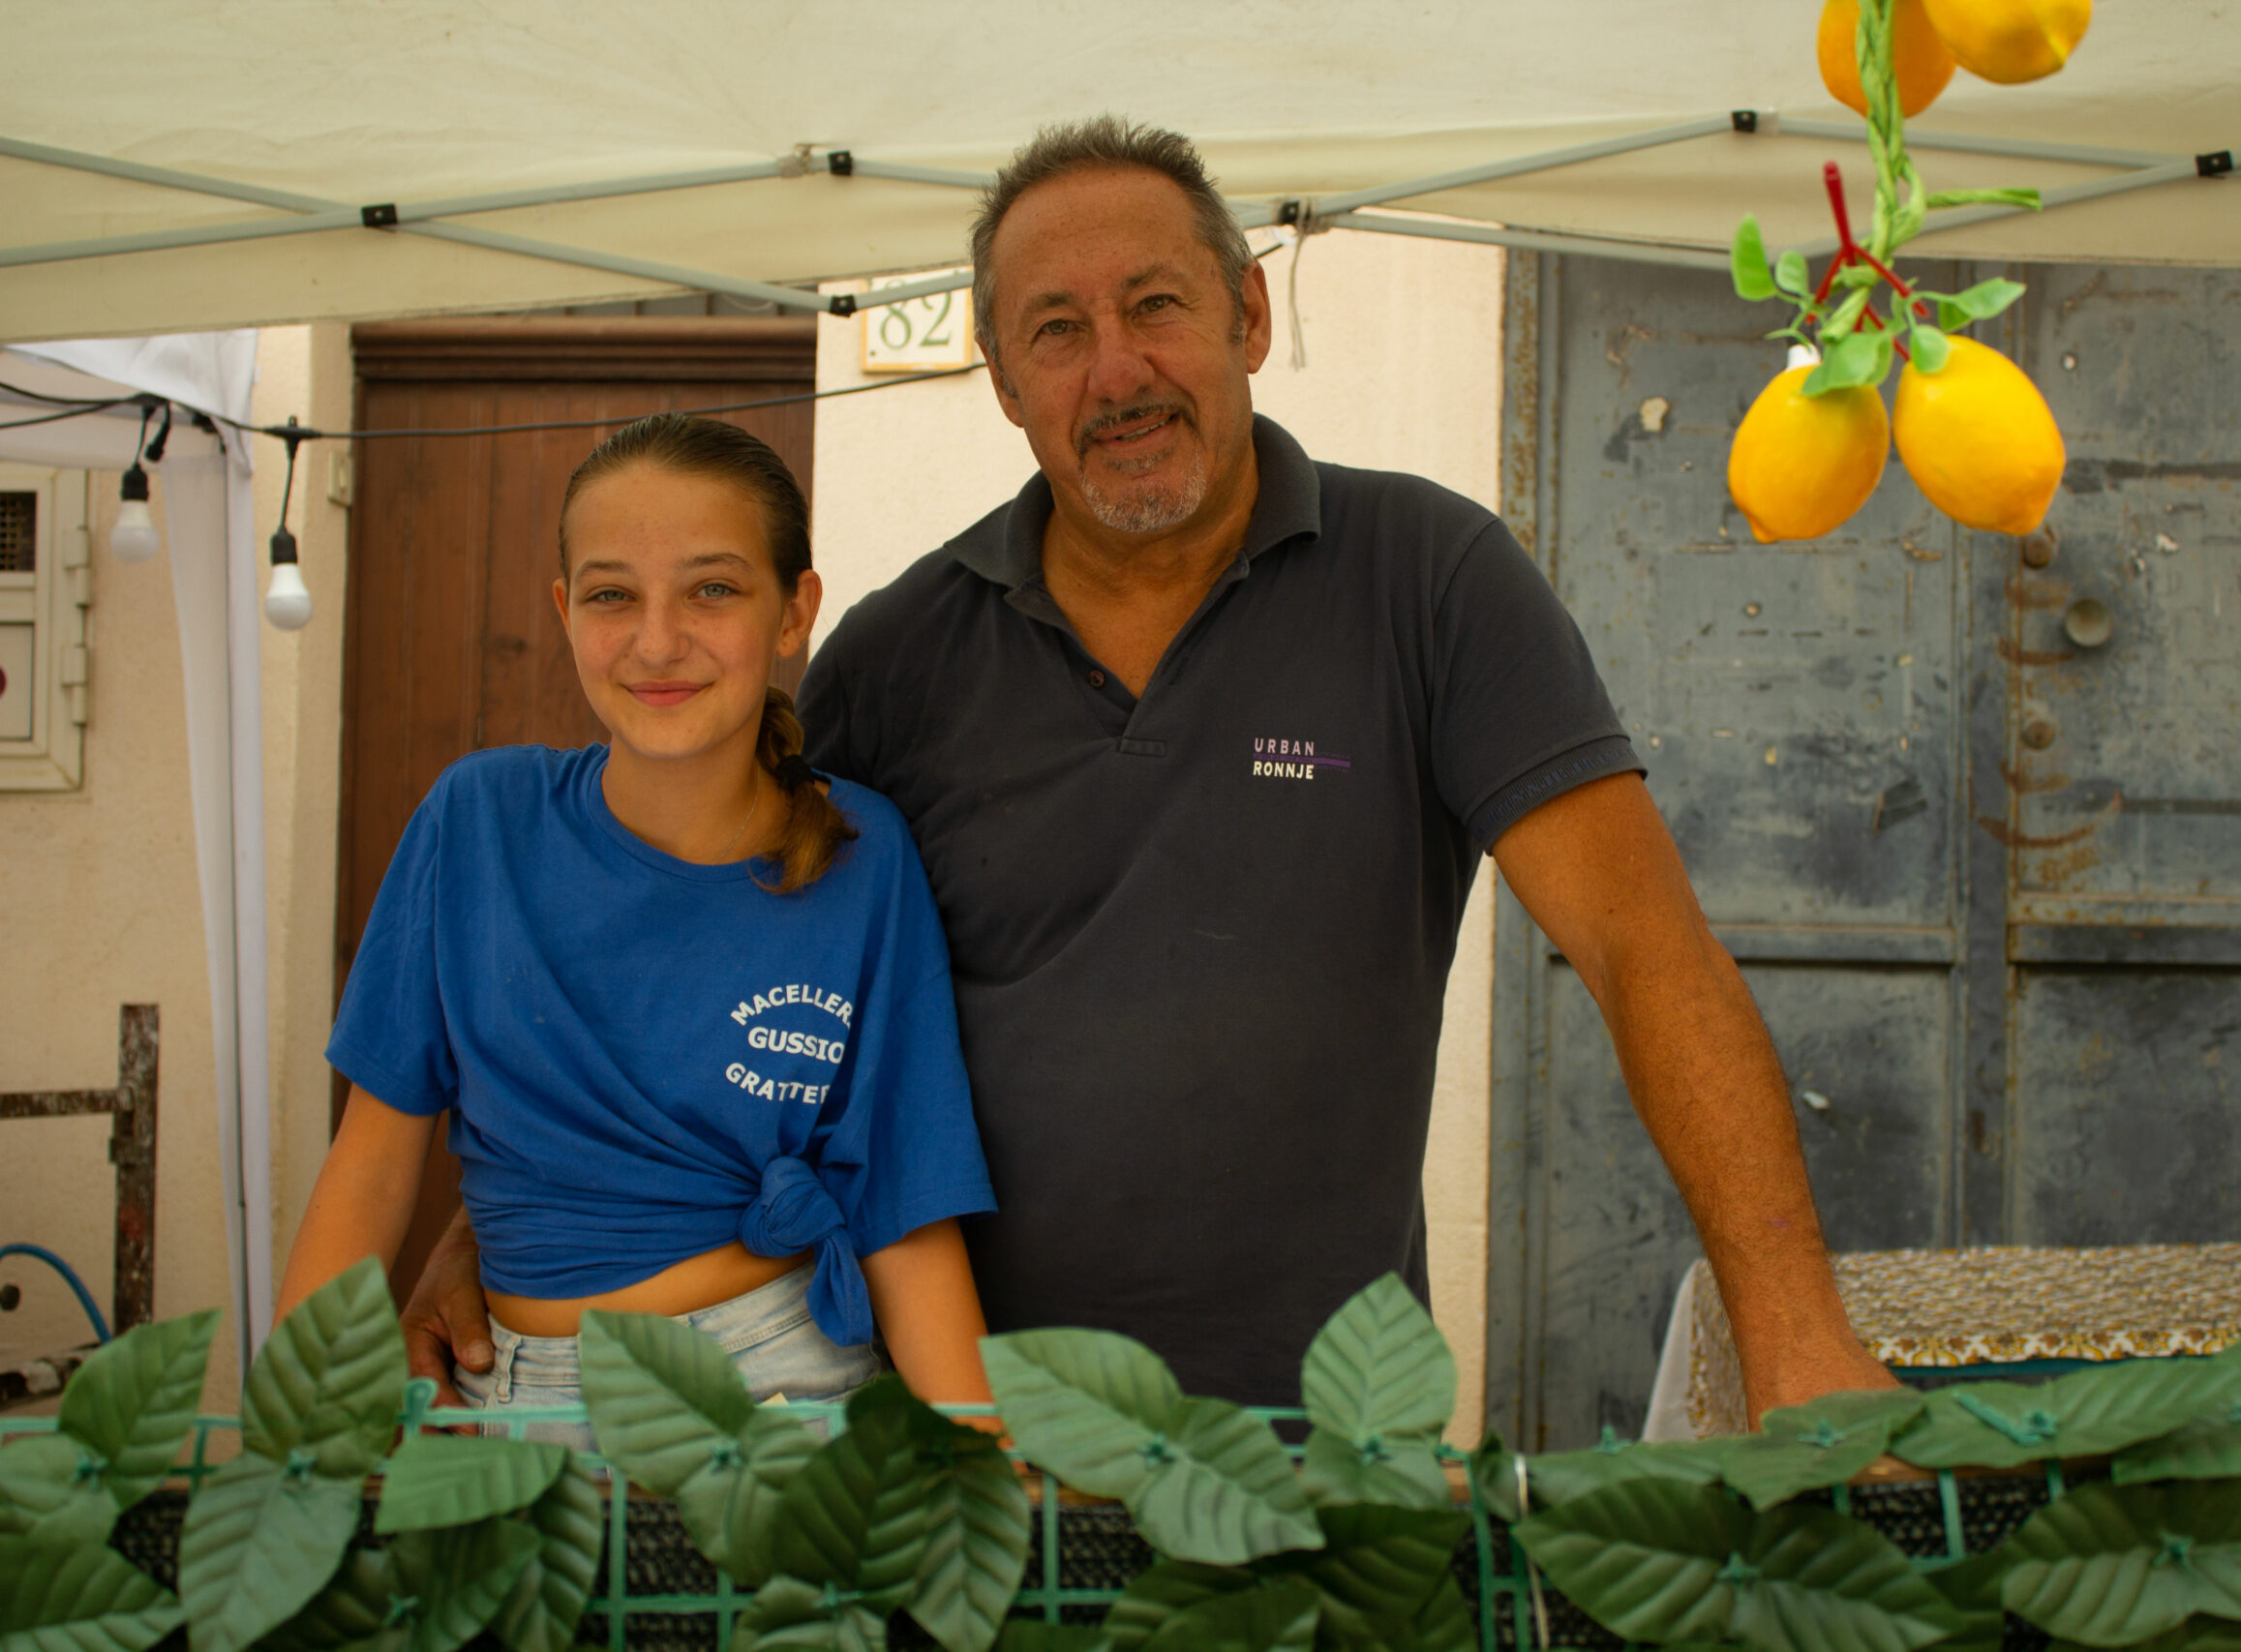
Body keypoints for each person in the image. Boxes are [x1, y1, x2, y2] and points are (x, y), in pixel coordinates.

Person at [403, 119, 1893, 1420]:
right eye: (1055, 330)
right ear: (1003, 378)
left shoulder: (1430, 582)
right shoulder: (897, 656)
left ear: (1248, 313)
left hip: (1326, 1439)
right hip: (971, 1445)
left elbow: (1643, 949)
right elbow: (703, 964)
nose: (1115, 371)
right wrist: (505, 1234)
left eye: (1155, 305)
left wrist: (1795, 1335)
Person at [279, 415, 997, 1427]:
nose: (658, 642)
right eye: (613, 595)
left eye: (713, 589)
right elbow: (369, 1169)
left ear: (794, 612)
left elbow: (903, 1207)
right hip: (512, 1402)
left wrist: (985, 1459)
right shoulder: (477, 820)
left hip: (781, 1389)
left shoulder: (862, 853)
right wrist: (292, 1440)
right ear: (565, 611)